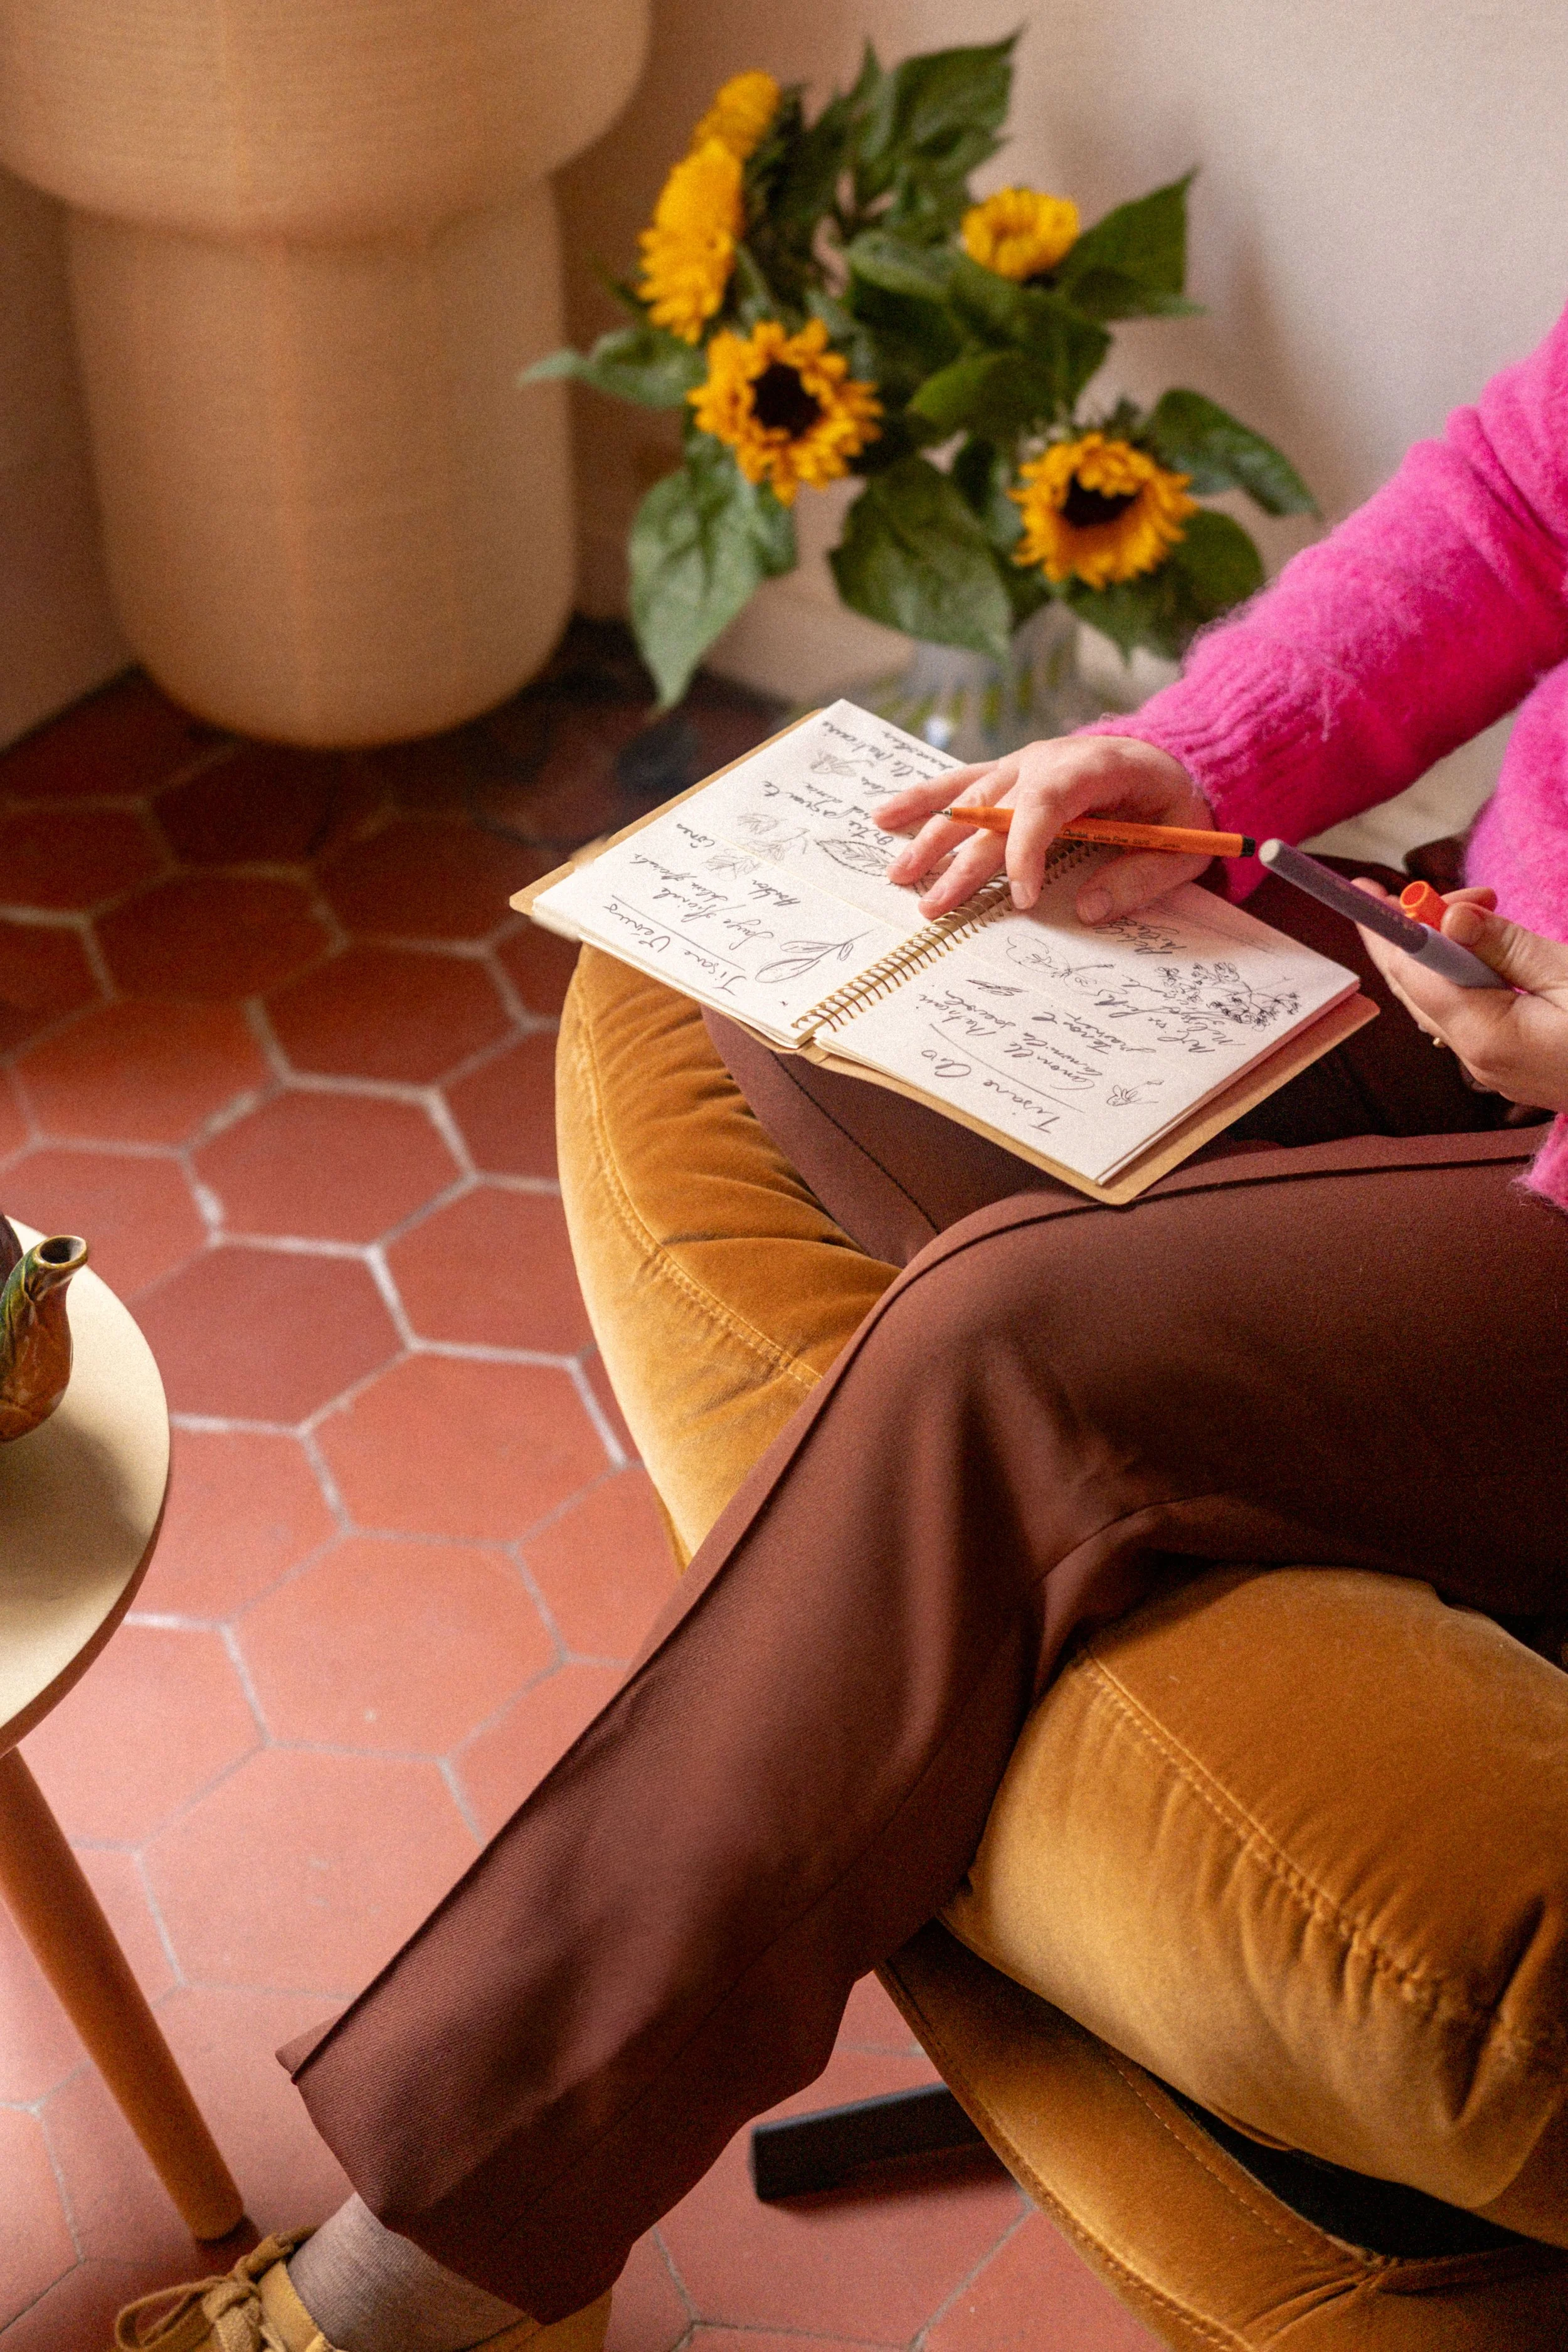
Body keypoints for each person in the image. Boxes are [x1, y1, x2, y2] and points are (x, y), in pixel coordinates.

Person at [117, 309, 1568, 2352]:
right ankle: (960, 1642)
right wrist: (1188, 762)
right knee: (830, 983)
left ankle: (448, 2256)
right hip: (1476, 970)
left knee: (1002, 1349)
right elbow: (1518, 503)